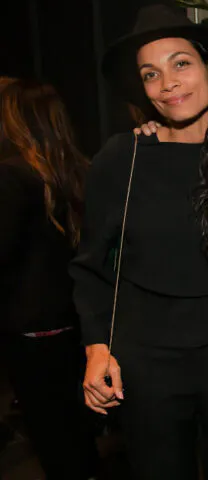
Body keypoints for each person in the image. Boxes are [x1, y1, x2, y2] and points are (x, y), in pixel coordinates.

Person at [70, 5, 208, 480]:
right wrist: (97, 349)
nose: (168, 83)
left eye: (181, 63)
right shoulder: (122, 158)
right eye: (151, 74)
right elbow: (89, 266)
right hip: (147, 361)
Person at [0, 77, 98, 479]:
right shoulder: (81, 169)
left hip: (30, 331)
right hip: (73, 324)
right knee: (77, 434)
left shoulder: (11, 176)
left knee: (54, 441)